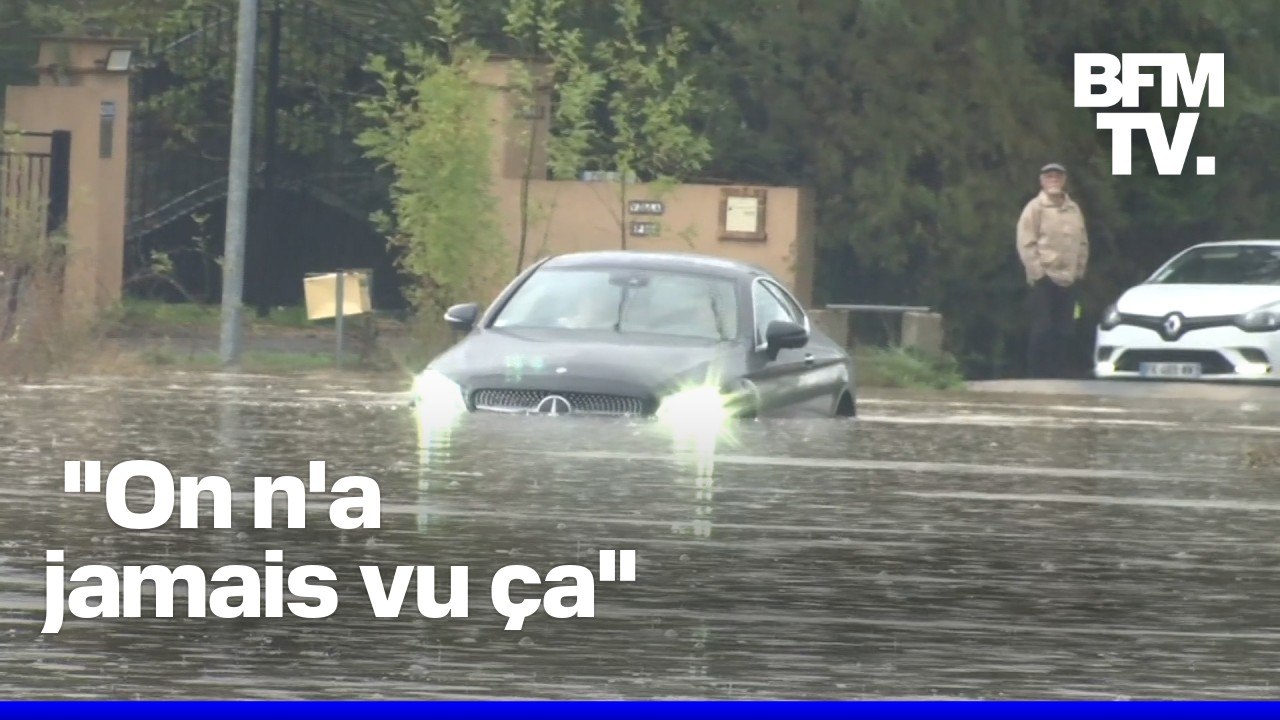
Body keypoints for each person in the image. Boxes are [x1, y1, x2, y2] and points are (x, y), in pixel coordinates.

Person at [1016, 162, 1089, 378]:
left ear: (1064, 180)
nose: (1054, 179)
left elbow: (1082, 242)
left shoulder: (1074, 209)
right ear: (1042, 181)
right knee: (1042, 328)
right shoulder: (1034, 208)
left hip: (1070, 278)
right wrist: (1038, 272)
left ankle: (1058, 374)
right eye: (1049, 176)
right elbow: (1026, 242)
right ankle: (1037, 375)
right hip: (1045, 277)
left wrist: (1079, 270)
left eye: (1058, 176)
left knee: (1065, 329)